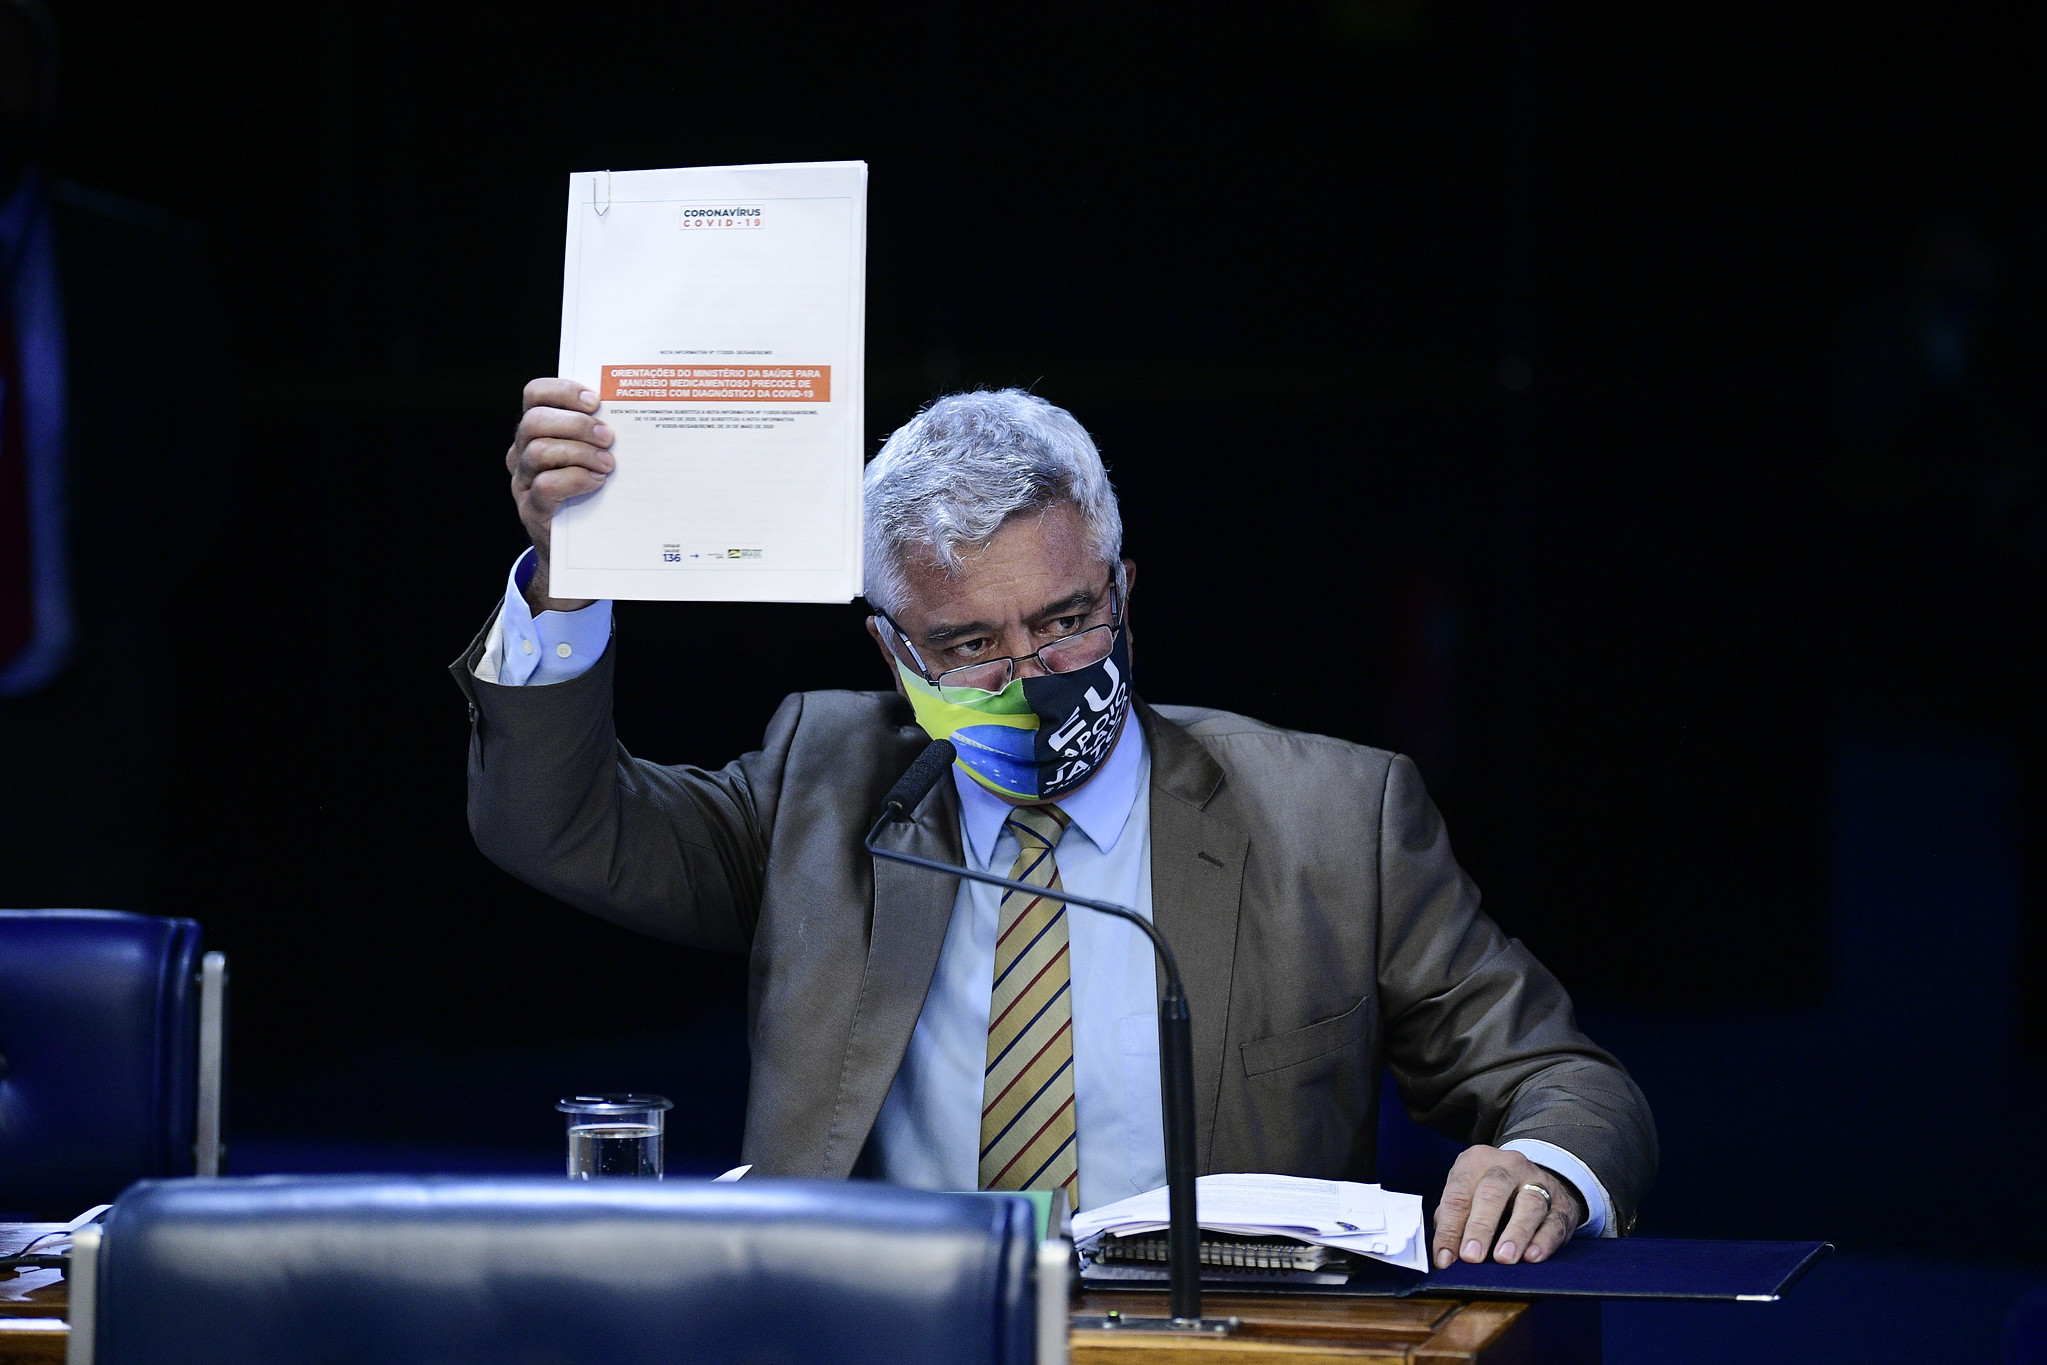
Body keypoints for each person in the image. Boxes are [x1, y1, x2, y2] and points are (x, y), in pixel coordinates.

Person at [453, 382, 1657, 1270]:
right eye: (971, 646)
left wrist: (1538, 1167)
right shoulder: (820, 780)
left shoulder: (1332, 817)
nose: (1034, 676)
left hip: (1222, 1349)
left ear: (1124, 591)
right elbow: (556, 826)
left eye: (1068, 620)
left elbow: (1560, 1080)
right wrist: (569, 575)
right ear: (891, 649)